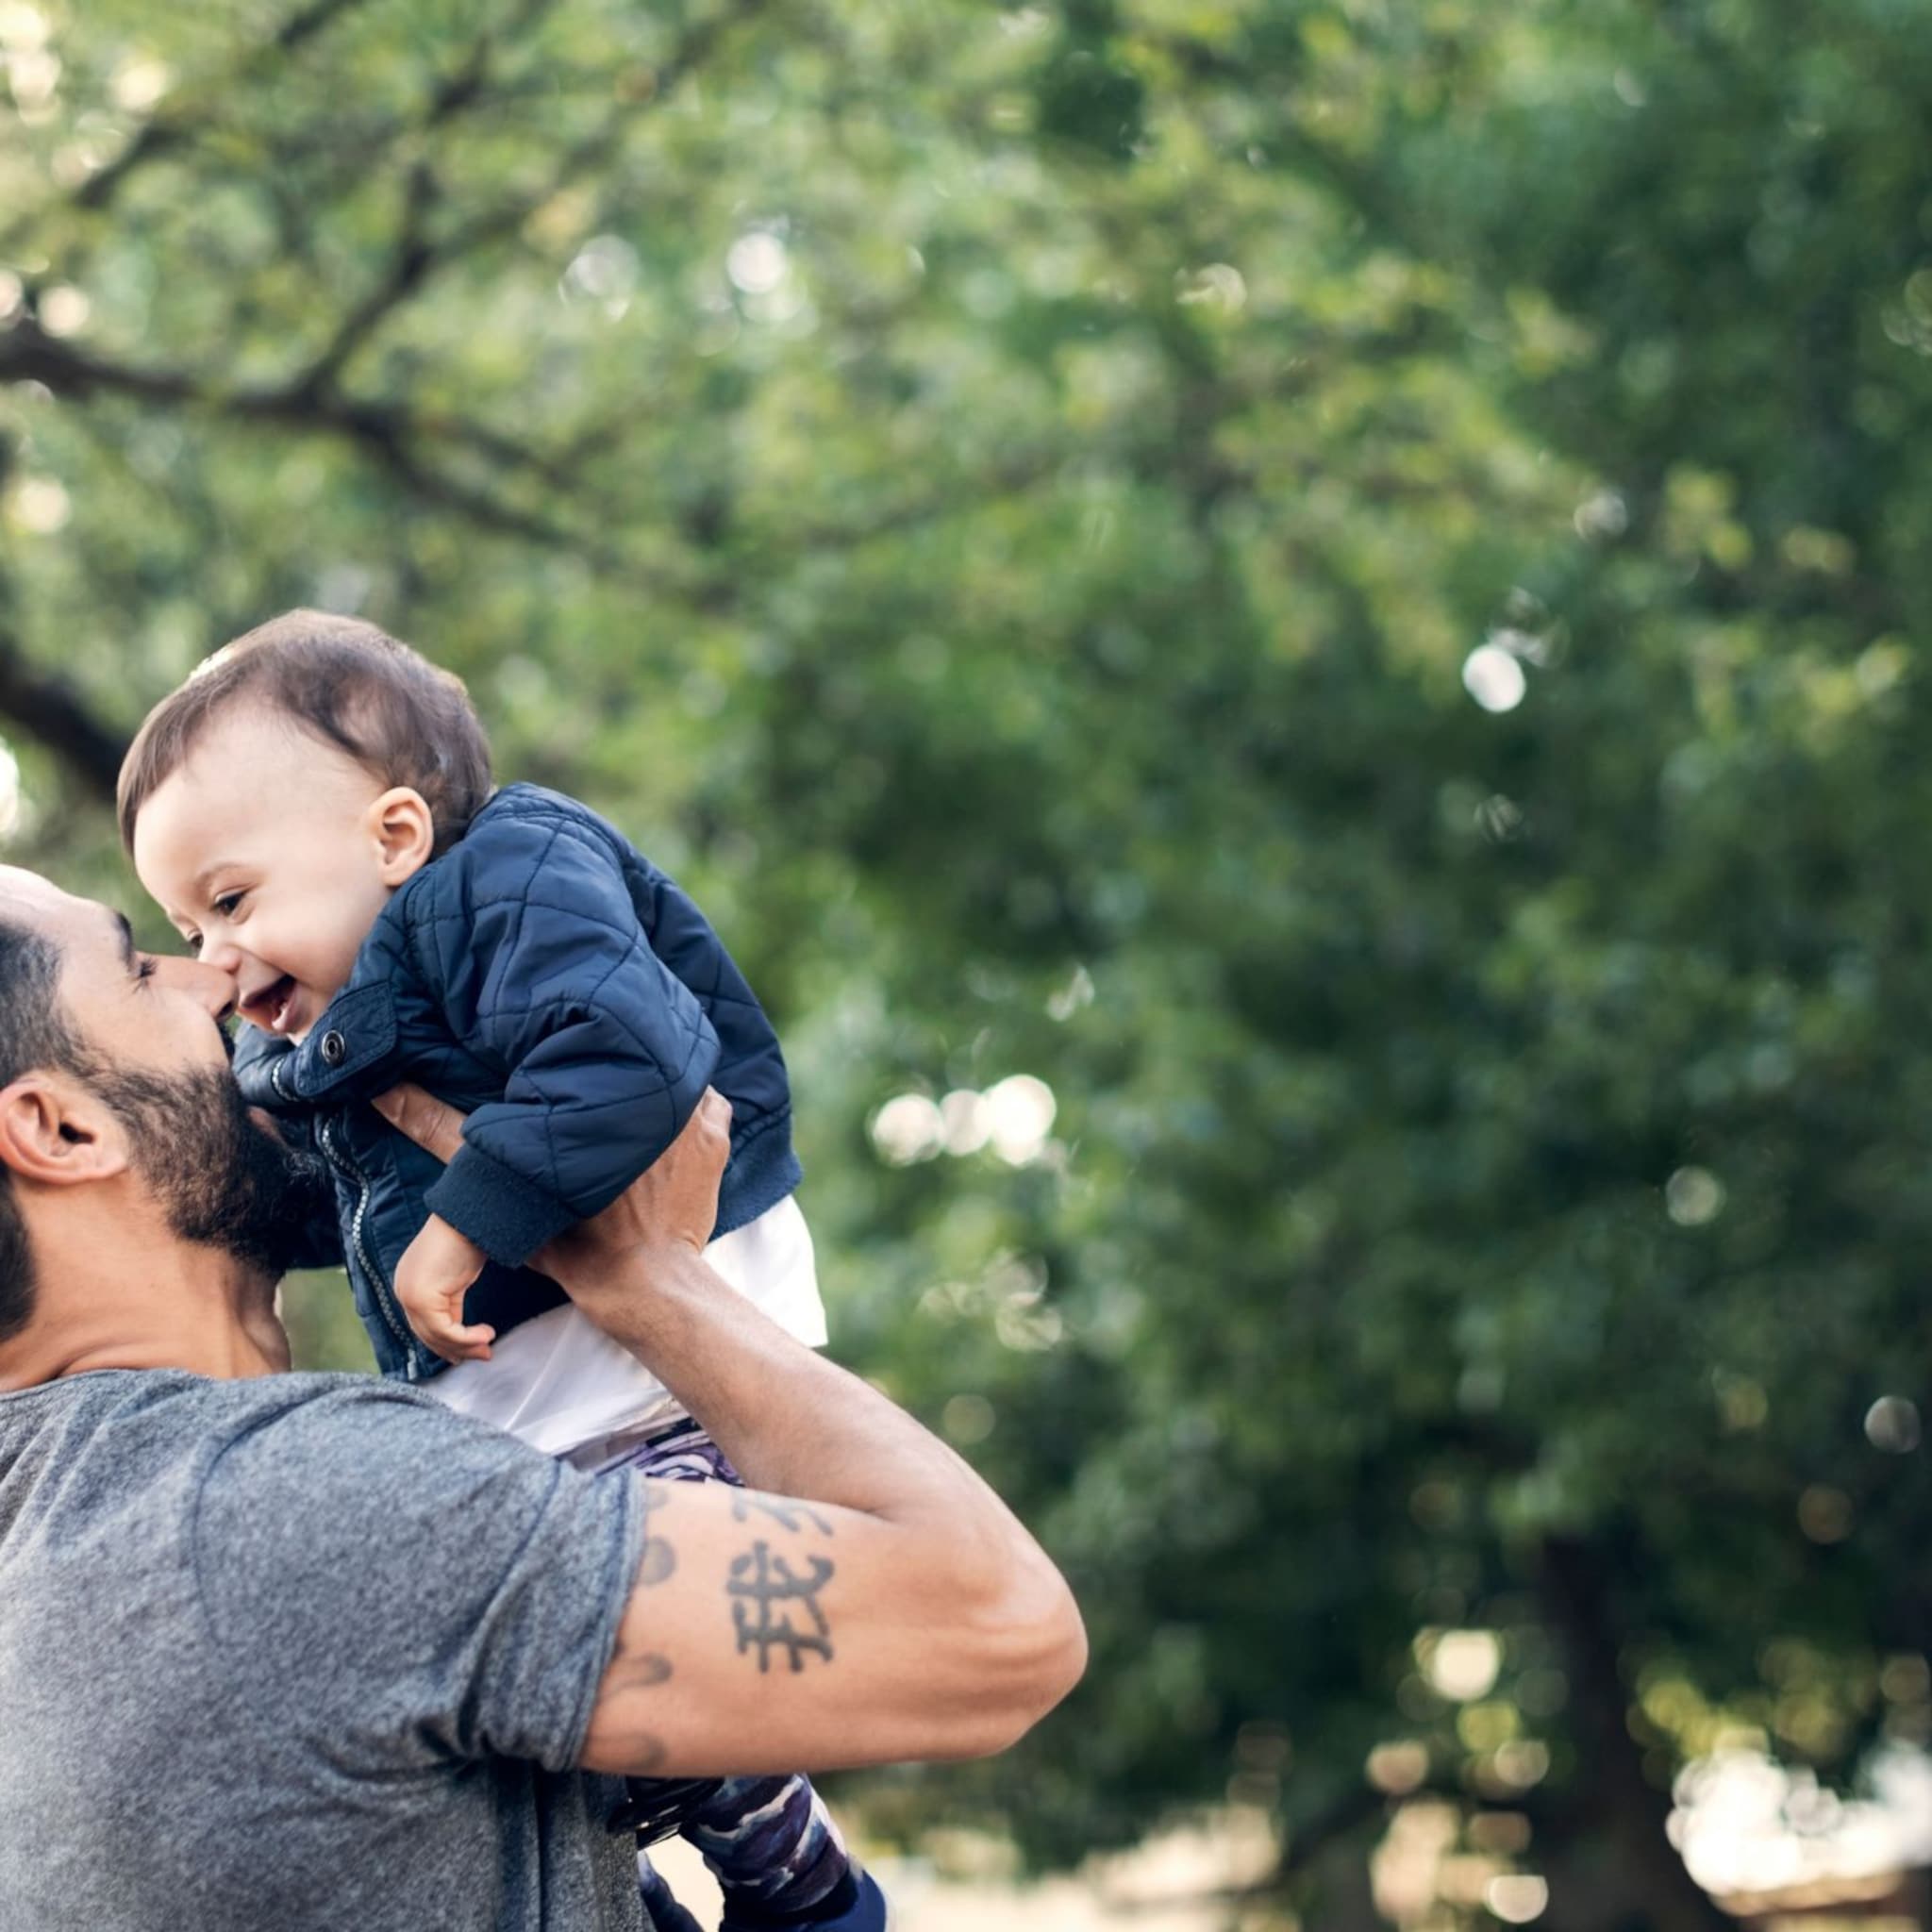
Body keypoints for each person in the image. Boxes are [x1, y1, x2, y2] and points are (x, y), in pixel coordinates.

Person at [0, 864, 1086, 1931]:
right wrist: (640, 1275)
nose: (215, 984)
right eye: (141, 971)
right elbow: (999, 1628)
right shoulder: (281, 1512)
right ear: (60, 1129)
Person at [117, 611, 863, 1926]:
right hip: (536, 1413)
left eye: (230, 901)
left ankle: (803, 1888)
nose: (216, 957)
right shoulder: (325, 1019)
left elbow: (630, 1056)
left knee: (687, 1705)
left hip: (657, 1388)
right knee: (532, 1724)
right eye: (184, 923)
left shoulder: (513, 877)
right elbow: (338, 1199)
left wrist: (466, 1224)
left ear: (395, 836)